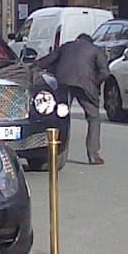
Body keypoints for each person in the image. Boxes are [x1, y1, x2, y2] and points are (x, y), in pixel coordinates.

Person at [38, 33, 110, 165]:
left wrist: (32, 66)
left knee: (59, 116)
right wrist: (94, 82)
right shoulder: (95, 50)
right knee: (93, 117)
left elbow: (47, 61)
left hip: (63, 83)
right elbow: (105, 72)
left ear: (77, 39)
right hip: (85, 85)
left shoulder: (66, 47)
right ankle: (93, 154)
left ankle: (52, 150)